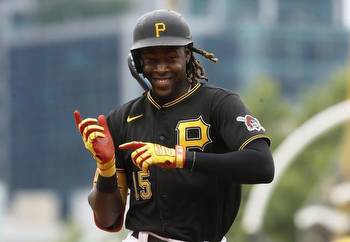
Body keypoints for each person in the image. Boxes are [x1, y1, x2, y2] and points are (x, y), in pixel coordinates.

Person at [74, 9, 274, 242]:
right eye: (151, 59)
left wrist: (181, 158)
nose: (161, 68)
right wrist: (106, 167)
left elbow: (262, 165)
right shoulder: (121, 119)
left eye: (170, 58)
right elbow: (108, 219)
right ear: (138, 61)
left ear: (187, 55)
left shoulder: (220, 104)